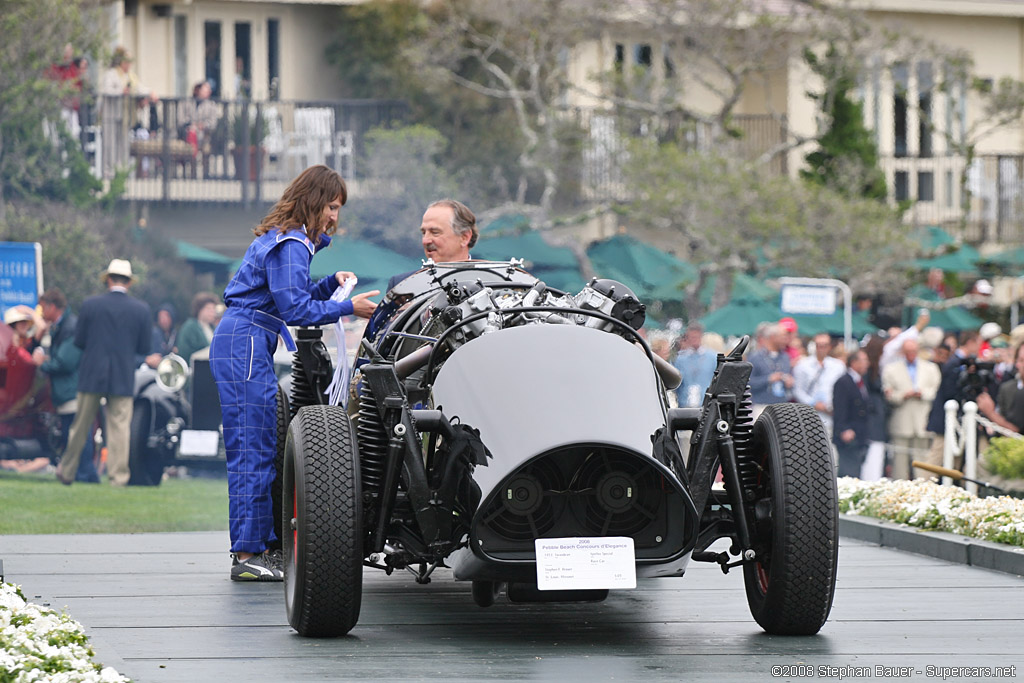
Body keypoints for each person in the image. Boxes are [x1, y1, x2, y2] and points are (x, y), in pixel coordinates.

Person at [210, 164, 379, 582]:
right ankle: (249, 555)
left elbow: (290, 295)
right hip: (247, 343)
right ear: (315, 201)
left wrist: (328, 286)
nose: (335, 217)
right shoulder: (293, 244)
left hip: (244, 341)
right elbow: (296, 311)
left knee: (259, 445)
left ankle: (257, 548)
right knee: (254, 448)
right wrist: (348, 307)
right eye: (333, 206)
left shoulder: (290, 240)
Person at [58, 259, 157, 486]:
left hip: (91, 373)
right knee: (120, 428)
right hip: (123, 375)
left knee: (80, 426)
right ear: (129, 283)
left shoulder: (90, 305)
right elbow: (143, 348)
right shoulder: (141, 309)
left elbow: (80, 341)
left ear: (108, 279)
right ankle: (118, 477)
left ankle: (68, 471)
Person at [31, 289, 99, 483]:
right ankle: (80, 473)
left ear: (53, 307)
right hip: (69, 390)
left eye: (43, 308)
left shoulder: (70, 327)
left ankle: (86, 474)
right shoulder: (63, 326)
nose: (42, 313)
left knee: (78, 435)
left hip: (73, 391)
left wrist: (42, 363)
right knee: (73, 434)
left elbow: (66, 362)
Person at [923, 330, 981, 478]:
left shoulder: (960, 362)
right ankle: (921, 488)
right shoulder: (955, 363)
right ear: (971, 342)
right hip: (946, 420)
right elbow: (950, 393)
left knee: (955, 461)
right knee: (936, 458)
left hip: (956, 421)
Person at [882, 338, 941, 480]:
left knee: (922, 462)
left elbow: (936, 391)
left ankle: (922, 490)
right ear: (902, 352)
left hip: (923, 421)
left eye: (913, 351)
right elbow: (888, 394)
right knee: (899, 463)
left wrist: (922, 393)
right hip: (901, 422)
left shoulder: (931, 368)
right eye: (907, 351)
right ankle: (899, 492)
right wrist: (904, 395)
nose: (910, 354)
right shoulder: (890, 369)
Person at [792, 332, 845, 434]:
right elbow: (797, 390)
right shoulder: (803, 365)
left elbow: (842, 391)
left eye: (824, 345)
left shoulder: (838, 366)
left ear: (829, 346)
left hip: (831, 415)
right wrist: (813, 403)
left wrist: (833, 407)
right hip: (808, 416)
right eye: (818, 345)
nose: (821, 348)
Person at [832, 349, 873, 478]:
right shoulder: (843, 382)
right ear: (854, 363)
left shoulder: (861, 381)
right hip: (849, 434)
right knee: (848, 473)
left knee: (856, 471)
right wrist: (844, 429)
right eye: (864, 360)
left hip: (860, 434)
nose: (867, 364)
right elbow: (840, 408)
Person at [747, 323, 794, 418]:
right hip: (762, 406)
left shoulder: (785, 357)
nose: (786, 340)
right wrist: (768, 379)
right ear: (773, 337)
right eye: (783, 336)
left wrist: (790, 381)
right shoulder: (755, 357)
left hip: (782, 407)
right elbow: (748, 383)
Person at [673, 322, 717, 408]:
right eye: (691, 337)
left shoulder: (712, 358)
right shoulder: (680, 359)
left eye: (696, 337)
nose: (694, 340)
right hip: (685, 405)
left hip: (706, 405)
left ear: (701, 337)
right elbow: (676, 384)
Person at [176, 292, 219, 363]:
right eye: (208, 309)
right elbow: (184, 352)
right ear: (199, 310)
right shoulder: (190, 327)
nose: (212, 312)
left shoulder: (213, 328)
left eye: (213, 309)